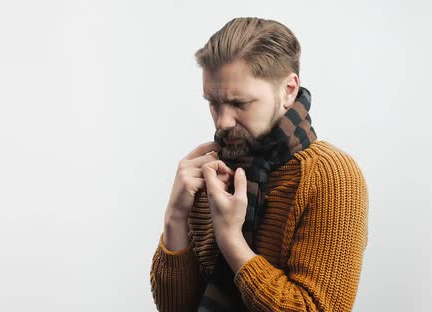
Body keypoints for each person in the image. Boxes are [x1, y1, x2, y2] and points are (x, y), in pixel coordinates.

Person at [150, 17, 369, 312]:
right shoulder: (212, 171)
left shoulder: (331, 176)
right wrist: (175, 216)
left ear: (289, 90)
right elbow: (176, 307)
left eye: (240, 103)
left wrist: (231, 240)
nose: (223, 121)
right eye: (213, 103)